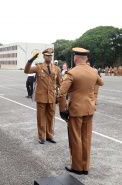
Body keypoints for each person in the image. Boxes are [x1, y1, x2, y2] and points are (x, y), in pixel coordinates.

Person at [58, 47, 104, 175]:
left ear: (75, 58)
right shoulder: (94, 71)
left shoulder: (72, 73)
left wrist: (62, 110)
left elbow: (62, 94)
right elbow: (101, 82)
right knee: (87, 138)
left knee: (76, 138)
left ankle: (77, 167)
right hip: (89, 109)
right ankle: (85, 167)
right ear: (86, 59)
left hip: (76, 110)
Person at [24, 48, 61, 144]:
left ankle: (49, 136)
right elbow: (26, 70)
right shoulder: (39, 67)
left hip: (52, 97)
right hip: (41, 97)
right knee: (41, 118)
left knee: (50, 118)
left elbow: (59, 83)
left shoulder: (56, 68)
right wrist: (30, 60)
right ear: (44, 56)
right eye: (47, 55)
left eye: (51, 55)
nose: (49, 57)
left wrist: (60, 95)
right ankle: (41, 136)